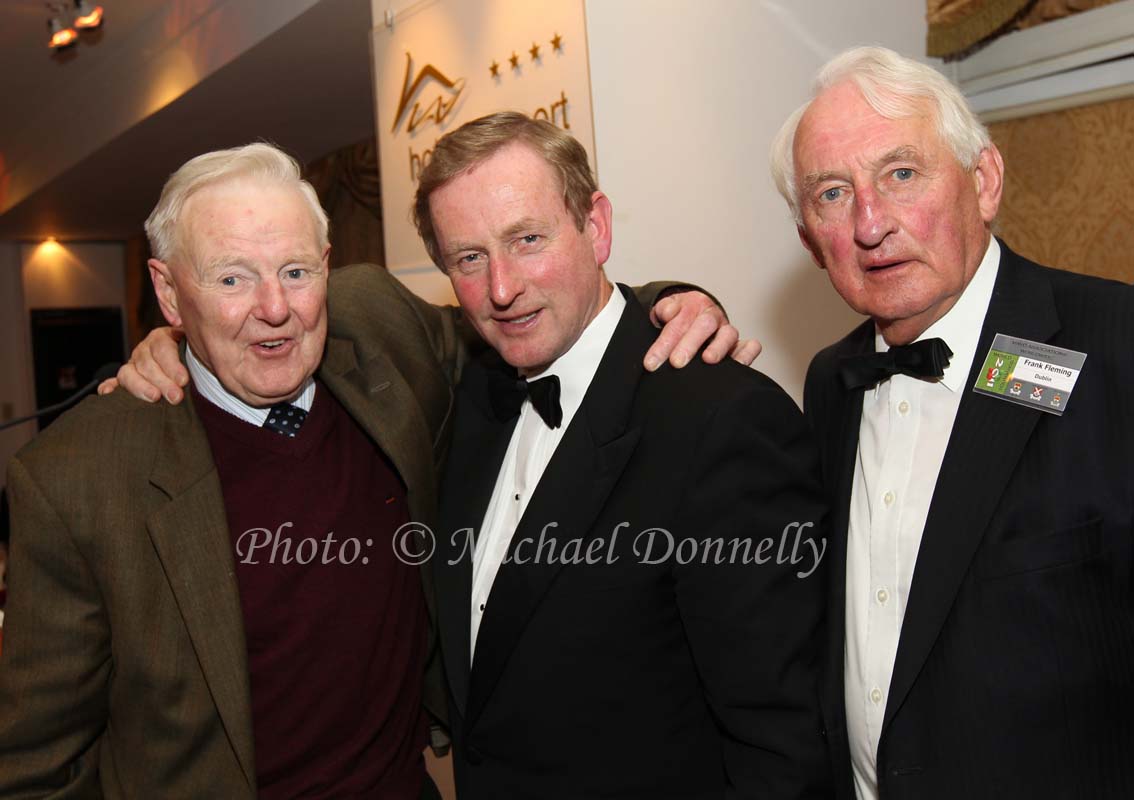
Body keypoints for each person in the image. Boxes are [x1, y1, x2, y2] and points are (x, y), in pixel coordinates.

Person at [0, 143, 739, 799]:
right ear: (168, 293)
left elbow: (523, 319)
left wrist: (663, 306)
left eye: (295, 271)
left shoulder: (380, 331)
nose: (274, 309)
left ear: (326, 268)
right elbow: (37, 767)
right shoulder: (76, 479)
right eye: (230, 280)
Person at [420, 112, 830, 798]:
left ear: (596, 227)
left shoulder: (722, 419)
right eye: (468, 258)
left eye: (527, 239)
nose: (500, 287)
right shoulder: (471, 398)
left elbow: (782, 739)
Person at [770, 46, 1134, 800]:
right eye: (833, 194)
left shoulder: (1114, 345)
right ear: (810, 240)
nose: (871, 223)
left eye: (902, 173)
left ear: (984, 181)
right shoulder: (830, 383)